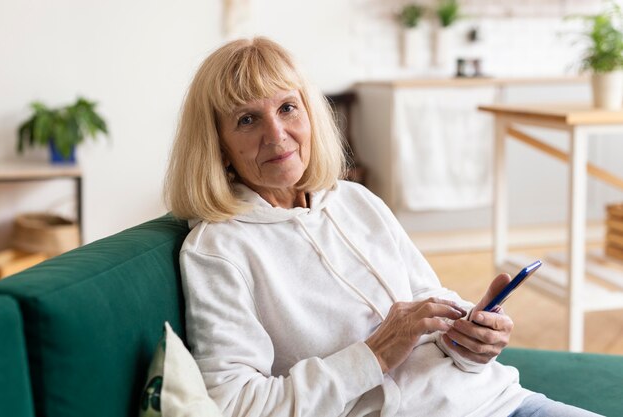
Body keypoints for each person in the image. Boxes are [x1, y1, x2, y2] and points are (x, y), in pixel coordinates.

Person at [164, 37, 602, 417]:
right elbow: (235, 406)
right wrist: (372, 355)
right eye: (247, 119)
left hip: (500, 401)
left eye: (287, 107)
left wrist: (472, 336)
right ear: (218, 145)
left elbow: (429, 306)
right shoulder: (217, 250)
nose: (277, 135)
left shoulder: (355, 200)